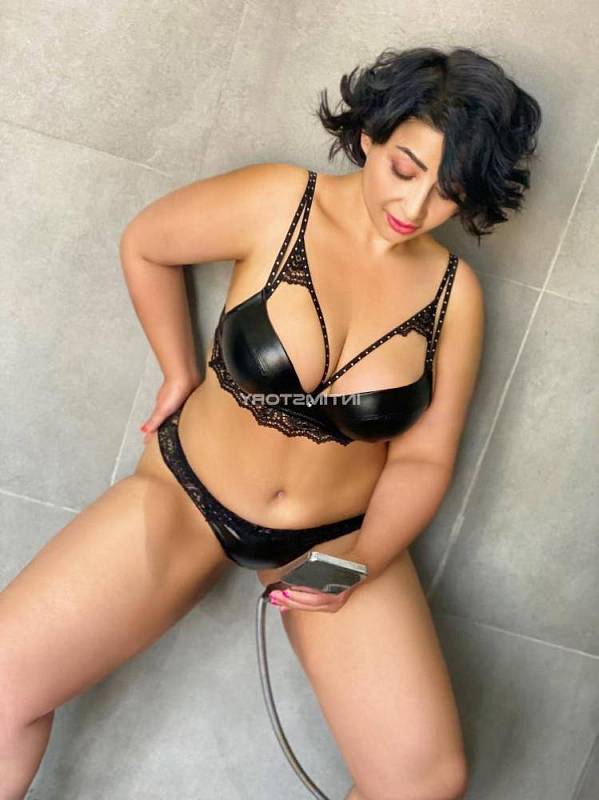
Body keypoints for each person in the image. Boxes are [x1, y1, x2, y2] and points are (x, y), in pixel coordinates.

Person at [0, 45, 541, 800]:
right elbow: (147, 244)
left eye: (448, 193)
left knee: (425, 782)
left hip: (332, 536)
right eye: (405, 169)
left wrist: (360, 560)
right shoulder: (278, 201)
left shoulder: (456, 295)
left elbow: (423, 460)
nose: (415, 208)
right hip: (186, 496)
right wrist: (180, 370)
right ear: (370, 138)